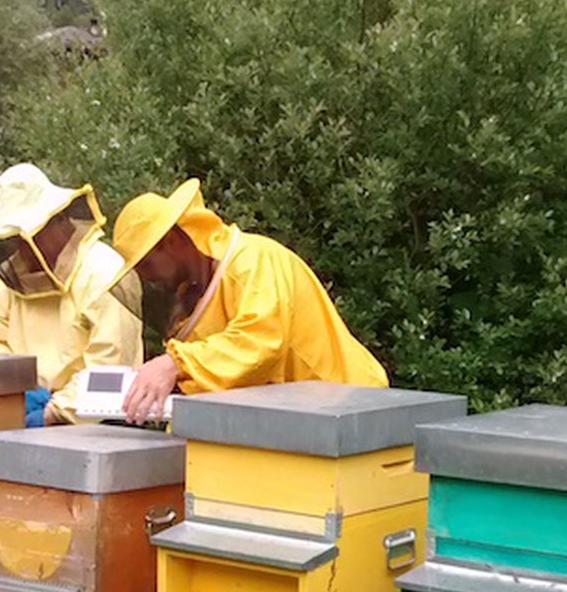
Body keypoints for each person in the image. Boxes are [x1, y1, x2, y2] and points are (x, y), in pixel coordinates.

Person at [108, 178, 387, 423]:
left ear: (169, 242)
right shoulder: (191, 297)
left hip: (351, 408)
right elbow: (221, 375)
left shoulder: (253, 260)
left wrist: (173, 364)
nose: (147, 277)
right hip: (298, 421)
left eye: (145, 264)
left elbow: (261, 342)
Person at [0, 163, 141, 426]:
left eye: (28, 235)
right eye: (13, 238)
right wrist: (16, 390)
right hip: (21, 406)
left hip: (100, 418)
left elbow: (109, 366)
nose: (22, 250)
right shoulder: (6, 281)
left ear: (59, 221)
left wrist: (54, 412)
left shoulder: (107, 273)